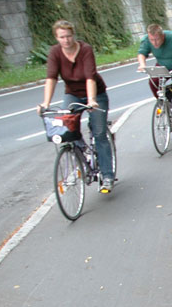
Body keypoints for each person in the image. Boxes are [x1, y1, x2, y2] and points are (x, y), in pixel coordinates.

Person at [39, 19, 115, 192]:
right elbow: (51, 78)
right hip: (72, 94)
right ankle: (81, 154)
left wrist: (92, 100)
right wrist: (45, 103)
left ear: (74, 35)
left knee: (99, 133)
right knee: (68, 130)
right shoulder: (55, 52)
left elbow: (90, 77)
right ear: (57, 38)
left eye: (68, 36)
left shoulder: (85, 50)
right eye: (62, 37)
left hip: (96, 93)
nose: (66, 40)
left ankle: (108, 175)